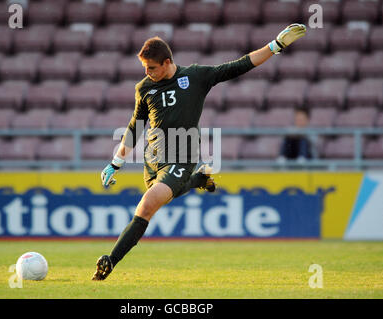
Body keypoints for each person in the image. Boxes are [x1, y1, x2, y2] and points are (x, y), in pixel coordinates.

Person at [92, 24, 307, 280]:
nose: (147, 73)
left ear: (167, 62)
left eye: (151, 68)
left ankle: (110, 261)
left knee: (148, 205)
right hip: (154, 158)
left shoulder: (195, 76)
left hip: (182, 156)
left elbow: (238, 66)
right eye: (144, 68)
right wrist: (115, 163)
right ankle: (198, 180)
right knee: (162, 196)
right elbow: (135, 127)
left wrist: (276, 45)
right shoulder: (145, 88)